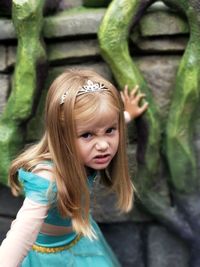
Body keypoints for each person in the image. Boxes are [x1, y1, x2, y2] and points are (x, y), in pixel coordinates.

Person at [0, 68, 148, 267]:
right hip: (50, 258)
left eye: (110, 131)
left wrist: (127, 114)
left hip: (80, 239)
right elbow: (21, 234)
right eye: (87, 135)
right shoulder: (47, 177)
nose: (103, 144)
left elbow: (105, 122)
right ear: (62, 136)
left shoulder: (90, 148)